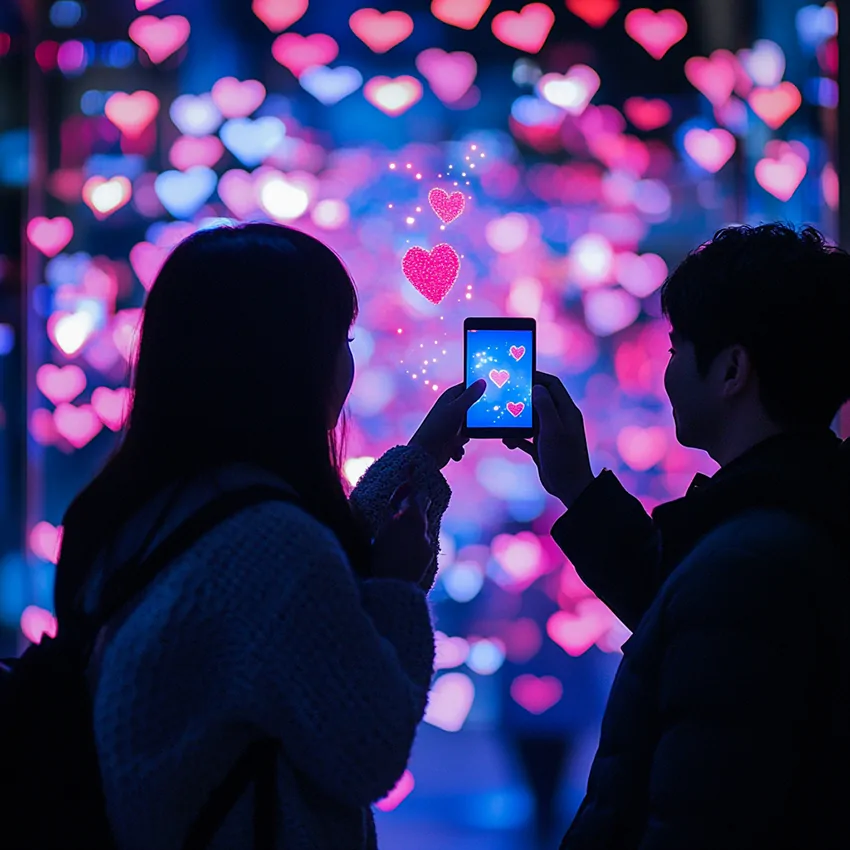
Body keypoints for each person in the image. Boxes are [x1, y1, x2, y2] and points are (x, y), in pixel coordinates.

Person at [54, 222, 486, 850]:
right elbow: (369, 747)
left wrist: (419, 460)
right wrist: (395, 585)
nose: (349, 361)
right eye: (340, 338)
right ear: (290, 363)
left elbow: (299, 610)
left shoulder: (136, 509)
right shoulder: (270, 547)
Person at [505, 224, 850, 849]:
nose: (664, 374)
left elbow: (703, 812)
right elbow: (677, 600)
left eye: (674, 349)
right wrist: (578, 488)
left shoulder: (753, 565)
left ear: (732, 370)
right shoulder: (796, 511)